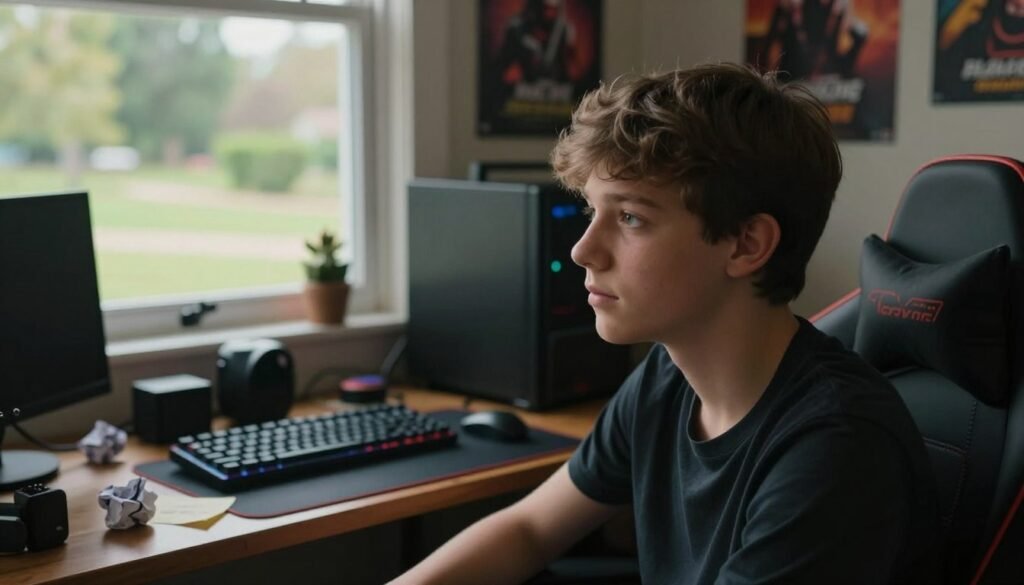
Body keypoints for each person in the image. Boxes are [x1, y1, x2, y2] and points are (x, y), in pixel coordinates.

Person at [389, 62, 939, 585]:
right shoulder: (667, 378)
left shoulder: (836, 447)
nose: (582, 251)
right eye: (592, 211)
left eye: (630, 217)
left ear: (746, 244)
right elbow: (529, 530)